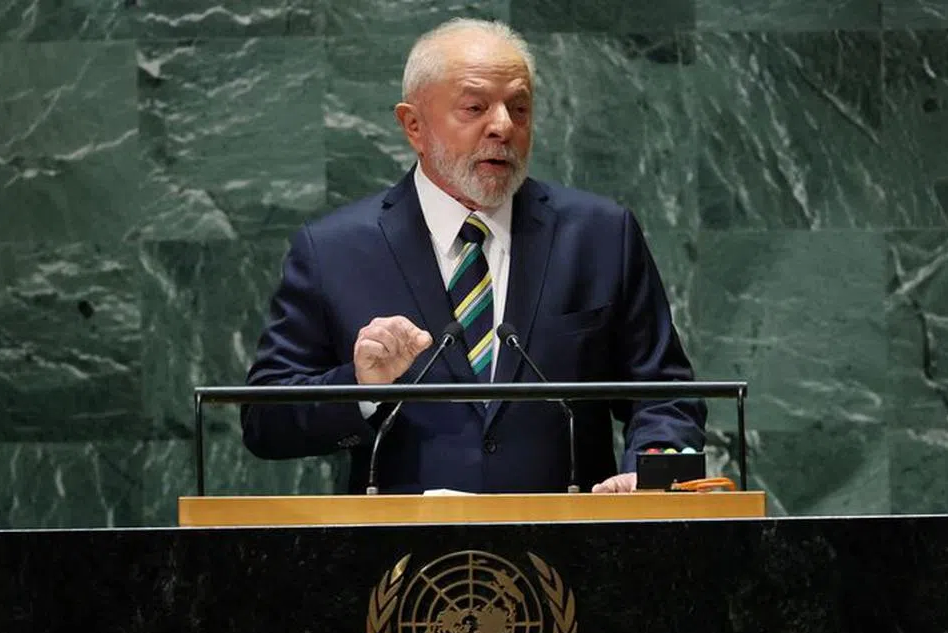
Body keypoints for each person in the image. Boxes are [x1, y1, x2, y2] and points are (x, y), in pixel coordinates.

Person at [241, 18, 706, 494]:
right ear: (414, 126)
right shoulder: (333, 250)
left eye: (519, 108)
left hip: (572, 552)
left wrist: (651, 473)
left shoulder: (601, 235)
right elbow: (264, 420)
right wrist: (359, 386)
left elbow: (666, 396)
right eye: (475, 107)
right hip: (400, 560)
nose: (503, 126)